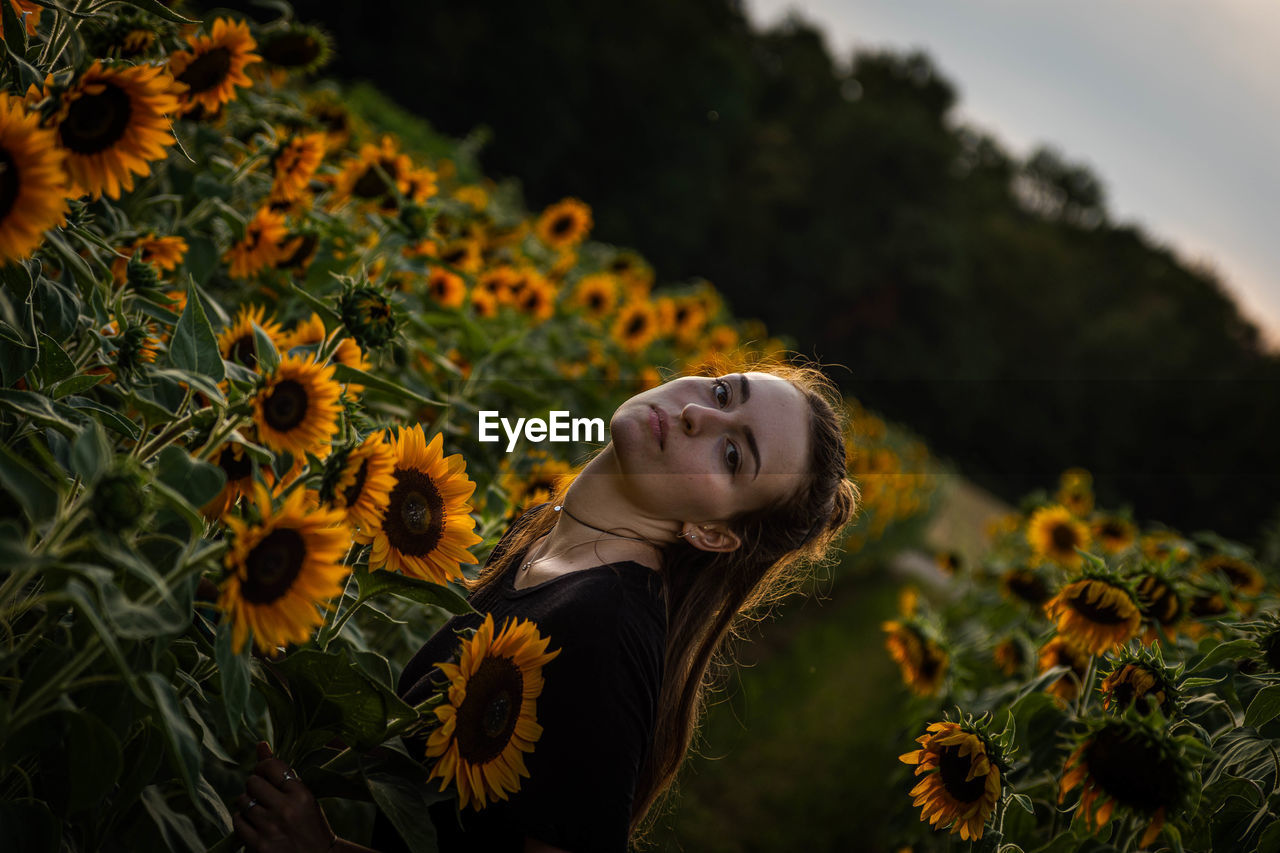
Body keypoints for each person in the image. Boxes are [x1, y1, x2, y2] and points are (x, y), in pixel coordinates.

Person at [232, 362, 859, 852]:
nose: (697, 412)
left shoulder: (605, 631)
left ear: (714, 534)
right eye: (724, 393)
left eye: (732, 456)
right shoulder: (548, 538)